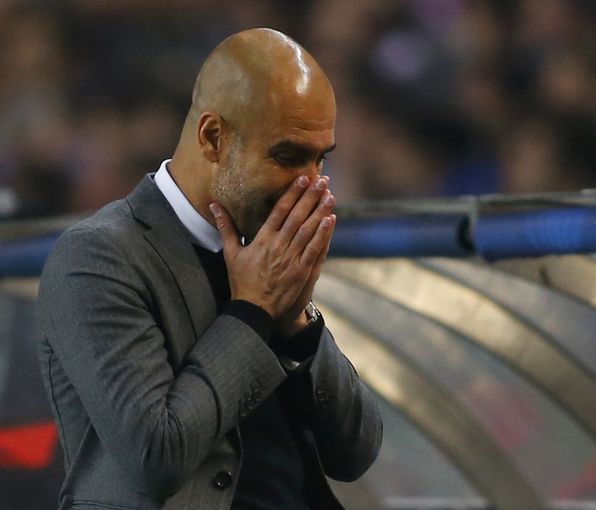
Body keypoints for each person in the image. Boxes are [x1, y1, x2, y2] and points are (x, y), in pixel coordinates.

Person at [36, 28, 382, 510]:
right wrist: (253, 313)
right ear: (213, 137)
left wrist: (298, 323)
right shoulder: (99, 258)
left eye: (320, 159)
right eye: (288, 156)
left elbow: (356, 453)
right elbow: (156, 454)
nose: (311, 185)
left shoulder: (265, 250)